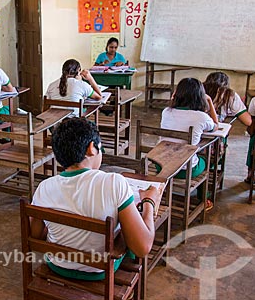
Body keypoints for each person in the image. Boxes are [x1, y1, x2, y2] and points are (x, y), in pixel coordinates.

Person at [31, 117, 162, 280]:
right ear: (91, 149)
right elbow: (143, 248)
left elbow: (35, 235)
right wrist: (150, 202)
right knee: (125, 233)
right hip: (98, 272)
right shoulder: (114, 182)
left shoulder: (44, 187)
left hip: (57, 265)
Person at [160, 78, 218, 211]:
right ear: (200, 97)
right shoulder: (201, 117)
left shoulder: (166, 112)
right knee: (207, 159)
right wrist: (209, 101)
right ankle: (203, 198)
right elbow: (216, 126)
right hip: (185, 171)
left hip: (161, 165)